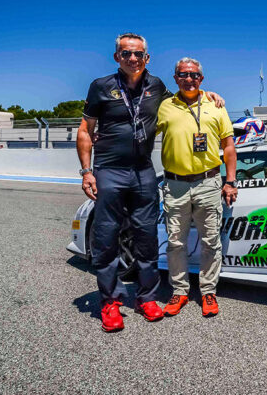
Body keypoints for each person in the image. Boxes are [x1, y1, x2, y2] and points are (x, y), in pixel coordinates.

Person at [76, 33, 225, 332]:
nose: (133, 59)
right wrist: (86, 171)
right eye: (126, 53)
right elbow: (84, 131)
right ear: (116, 56)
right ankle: (110, 303)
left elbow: (186, 95)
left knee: (146, 238)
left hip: (143, 171)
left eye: (138, 54)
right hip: (109, 170)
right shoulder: (101, 86)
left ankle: (146, 298)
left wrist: (208, 94)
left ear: (147, 58)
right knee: (106, 237)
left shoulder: (156, 86)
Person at [157, 57, 238, 318]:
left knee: (211, 242)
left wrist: (230, 181)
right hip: (175, 184)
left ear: (201, 79)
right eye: (183, 74)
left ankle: (208, 292)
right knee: (175, 242)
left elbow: (228, 147)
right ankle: (179, 291)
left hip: (208, 182)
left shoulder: (216, 105)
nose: (189, 79)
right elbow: (143, 136)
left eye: (194, 75)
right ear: (175, 78)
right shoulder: (165, 106)